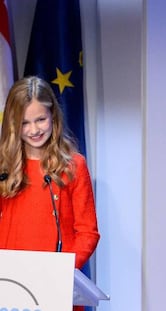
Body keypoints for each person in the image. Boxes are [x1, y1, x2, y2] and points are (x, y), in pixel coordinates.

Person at [0, 76, 100, 311]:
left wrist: (60, 272)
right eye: (25, 123)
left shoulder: (73, 166)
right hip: (10, 283)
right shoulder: (4, 167)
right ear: (14, 124)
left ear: (53, 116)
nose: (34, 130)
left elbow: (88, 232)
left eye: (40, 120)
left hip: (56, 286)